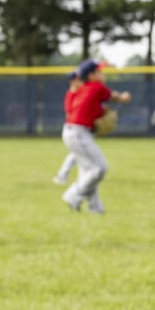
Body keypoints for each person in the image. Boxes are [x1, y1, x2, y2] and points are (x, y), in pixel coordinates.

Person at [60, 59, 131, 214]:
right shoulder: (96, 87)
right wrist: (123, 97)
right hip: (78, 132)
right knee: (100, 168)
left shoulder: (85, 89)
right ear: (91, 75)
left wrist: (100, 112)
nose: (103, 74)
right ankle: (73, 195)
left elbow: (92, 108)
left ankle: (95, 208)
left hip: (73, 131)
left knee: (88, 171)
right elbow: (114, 96)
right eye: (99, 71)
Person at [51, 69, 82, 184]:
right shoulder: (71, 95)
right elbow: (69, 113)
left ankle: (64, 176)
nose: (81, 81)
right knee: (77, 154)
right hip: (73, 128)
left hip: (78, 129)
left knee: (78, 154)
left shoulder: (80, 93)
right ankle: (61, 175)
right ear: (72, 81)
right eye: (78, 79)